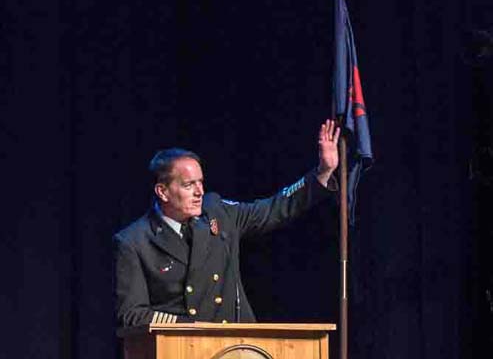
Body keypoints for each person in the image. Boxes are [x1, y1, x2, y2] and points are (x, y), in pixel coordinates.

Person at [114, 119, 340, 327]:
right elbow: (132, 314)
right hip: (180, 353)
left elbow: (274, 209)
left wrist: (321, 172)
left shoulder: (217, 212)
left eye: (200, 183)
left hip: (236, 347)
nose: (199, 192)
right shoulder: (134, 241)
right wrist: (189, 327)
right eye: (188, 185)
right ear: (162, 192)